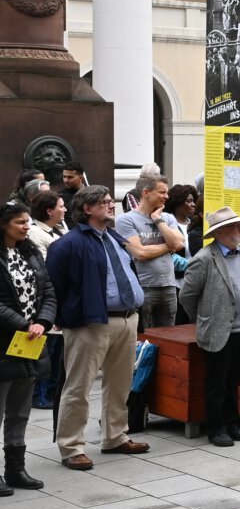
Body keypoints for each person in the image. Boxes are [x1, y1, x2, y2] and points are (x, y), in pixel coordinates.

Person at [44, 186, 149, 470]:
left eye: (109, 201)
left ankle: (115, 436)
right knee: (78, 386)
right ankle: (71, 446)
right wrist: (67, 315)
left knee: (120, 383)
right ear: (87, 209)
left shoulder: (114, 237)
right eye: (103, 203)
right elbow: (53, 284)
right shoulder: (68, 244)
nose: (110, 205)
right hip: (89, 323)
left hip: (127, 319)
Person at [178, 205, 240, 448]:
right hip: (219, 331)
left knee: (235, 379)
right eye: (233, 227)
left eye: (239, 226)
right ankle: (216, 428)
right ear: (218, 233)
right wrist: (206, 318)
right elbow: (187, 295)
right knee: (217, 382)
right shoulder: (204, 259)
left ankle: (231, 423)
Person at [0, 200, 51, 492]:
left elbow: (48, 290)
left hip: (30, 340)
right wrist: (23, 323)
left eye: (28, 221)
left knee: (20, 409)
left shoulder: (30, 252)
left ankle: (16, 469)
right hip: (6, 340)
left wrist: (42, 321)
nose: (26, 226)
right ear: (4, 224)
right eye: (20, 222)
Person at [113, 169, 185, 331]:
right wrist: (169, 246)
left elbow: (179, 245)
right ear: (146, 192)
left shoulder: (167, 218)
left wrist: (158, 220)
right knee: (144, 337)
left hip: (168, 286)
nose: (167, 197)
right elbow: (140, 253)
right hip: (143, 287)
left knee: (169, 338)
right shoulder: (125, 220)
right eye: (162, 192)